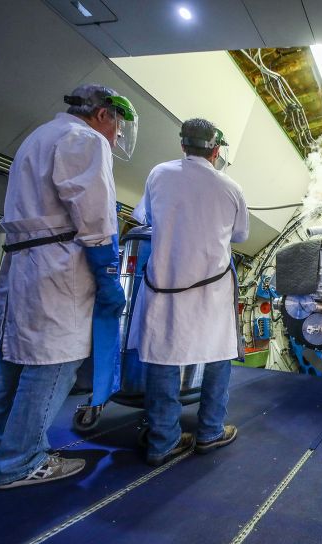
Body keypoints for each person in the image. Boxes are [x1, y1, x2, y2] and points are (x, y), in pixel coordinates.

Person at [0, 84, 138, 489]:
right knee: (55, 362)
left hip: (22, 264)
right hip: (57, 269)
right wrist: (108, 273)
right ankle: (19, 463)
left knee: (14, 361)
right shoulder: (86, 139)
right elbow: (95, 218)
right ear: (103, 115)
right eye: (117, 124)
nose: (118, 134)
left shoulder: (38, 135)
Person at [128, 118, 248, 466]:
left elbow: (145, 217)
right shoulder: (230, 187)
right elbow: (240, 235)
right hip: (211, 288)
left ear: (183, 146)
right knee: (217, 355)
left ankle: (162, 441)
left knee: (163, 358)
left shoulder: (158, 174)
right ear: (216, 150)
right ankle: (210, 431)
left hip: (165, 284)